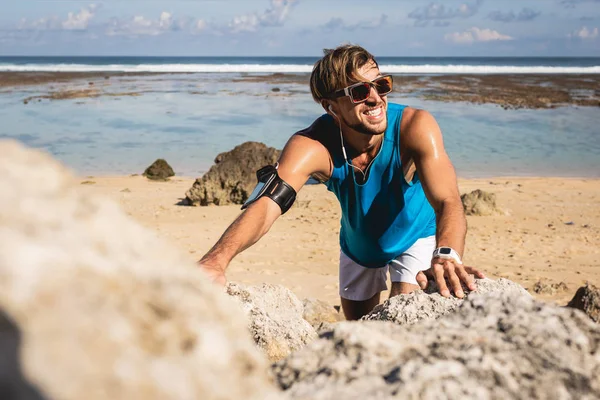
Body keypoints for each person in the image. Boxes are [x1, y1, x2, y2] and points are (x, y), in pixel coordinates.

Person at [199, 44, 485, 320]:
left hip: (416, 234)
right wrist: (215, 261)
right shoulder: (313, 145)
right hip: (359, 245)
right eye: (359, 91)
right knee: (357, 326)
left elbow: (448, 199)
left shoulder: (414, 126)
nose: (375, 99)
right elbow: (268, 203)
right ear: (331, 107)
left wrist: (447, 253)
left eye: (381, 85)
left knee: (400, 319)